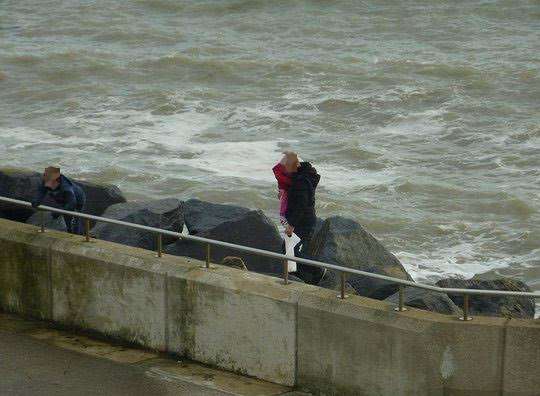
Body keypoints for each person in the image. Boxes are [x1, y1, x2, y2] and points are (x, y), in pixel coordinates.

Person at [283, 153, 325, 284]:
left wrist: (291, 225)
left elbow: (301, 205)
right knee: (288, 249)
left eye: (287, 165)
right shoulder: (301, 177)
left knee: (291, 250)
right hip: (303, 220)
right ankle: (297, 276)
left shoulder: (301, 181)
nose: (285, 168)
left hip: (303, 222)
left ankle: (318, 270)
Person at [31, 166, 86, 234]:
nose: (44, 179)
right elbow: (41, 191)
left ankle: (76, 234)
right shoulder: (46, 181)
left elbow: (72, 204)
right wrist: (36, 200)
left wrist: (59, 211)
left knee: (74, 218)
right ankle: (70, 231)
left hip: (77, 200)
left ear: (55, 180)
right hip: (62, 199)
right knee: (66, 217)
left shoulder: (66, 188)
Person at [272, 152, 294, 227]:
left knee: (284, 214)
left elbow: (276, 169)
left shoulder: (288, 173)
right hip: (286, 190)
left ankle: (288, 229)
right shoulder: (294, 172)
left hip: (287, 191)